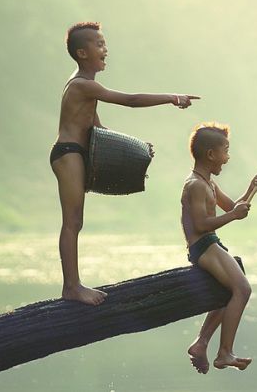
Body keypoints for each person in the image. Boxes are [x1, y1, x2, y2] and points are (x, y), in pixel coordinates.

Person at [52, 21, 199, 306]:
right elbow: (130, 100)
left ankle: (74, 285)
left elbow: (97, 129)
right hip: (68, 154)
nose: (105, 49)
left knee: (76, 221)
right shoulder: (83, 85)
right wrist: (171, 98)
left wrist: (134, 150)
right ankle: (71, 287)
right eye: (99, 44)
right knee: (72, 222)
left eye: (104, 43)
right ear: (82, 53)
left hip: (76, 153)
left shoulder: (85, 87)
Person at [180, 122, 257, 373]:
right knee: (242, 288)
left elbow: (233, 207)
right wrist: (234, 216)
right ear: (210, 155)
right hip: (203, 245)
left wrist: (253, 188)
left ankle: (201, 343)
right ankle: (224, 353)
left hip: (211, 244)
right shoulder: (195, 185)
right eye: (225, 151)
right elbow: (200, 225)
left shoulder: (209, 183)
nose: (227, 158)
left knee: (227, 291)